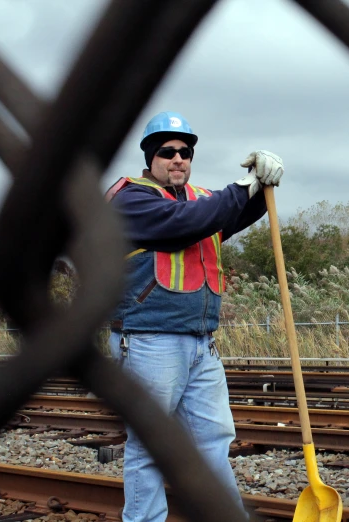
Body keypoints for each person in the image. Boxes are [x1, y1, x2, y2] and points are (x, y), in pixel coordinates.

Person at [105, 111, 283, 522]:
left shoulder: (202, 201)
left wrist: (263, 184)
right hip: (150, 340)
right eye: (167, 152)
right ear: (150, 158)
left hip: (202, 342)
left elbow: (229, 215)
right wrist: (242, 187)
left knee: (213, 439)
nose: (178, 159)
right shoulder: (130, 198)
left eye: (185, 152)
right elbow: (187, 221)